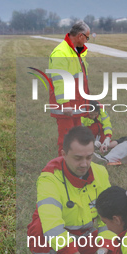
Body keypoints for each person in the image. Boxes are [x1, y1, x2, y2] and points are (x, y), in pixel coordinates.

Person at [27, 126, 124, 254]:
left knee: (122, 249)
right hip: (58, 243)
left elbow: (107, 220)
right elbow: (53, 229)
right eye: (78, 158)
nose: (84, 164)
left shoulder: (100, 173)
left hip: (84, 237)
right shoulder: (49, 179)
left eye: (89, 157)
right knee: (39, 230)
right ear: (64, 155)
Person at [48, 21, 91, 156]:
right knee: (66, 138)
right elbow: (59, 80)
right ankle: (63, 165)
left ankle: (76, 162)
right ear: (80, 36)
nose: (87, 41)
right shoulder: (61, 52)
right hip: (66, 105)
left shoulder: (76, 51)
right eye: (87, 38)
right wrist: (65, 104)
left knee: (77, 136)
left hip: (76, 103)